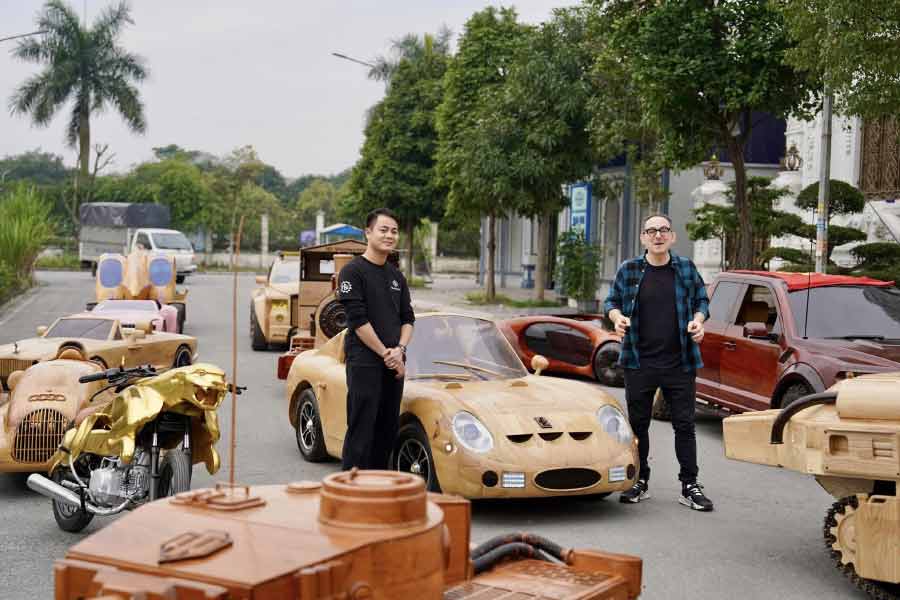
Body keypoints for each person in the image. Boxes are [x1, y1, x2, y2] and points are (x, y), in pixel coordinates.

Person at [604, 214, 714, 511]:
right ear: (643, 238)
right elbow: (610, 302)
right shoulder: (629, 270)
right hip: (639, 361)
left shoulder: (685, 269)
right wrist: (618, 318)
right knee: (638, 426)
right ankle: (640, 480)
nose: (657, 236)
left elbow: (702, 301)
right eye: (651, 231)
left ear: (672, 236)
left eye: (663, 230)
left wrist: (698, 321)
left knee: (685, 425)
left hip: (680, 361)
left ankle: (689, 485)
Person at [337, 208, 415, 470]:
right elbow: (358, 321)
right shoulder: (352, 272)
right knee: (362, 427)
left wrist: (400, 350)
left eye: (394, 231)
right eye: (383, 230)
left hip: (394, 362)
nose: (390, 235)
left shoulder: (396, 277)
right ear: (367, 233)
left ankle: (378, 488)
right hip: (365, 362)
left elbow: (408, 318)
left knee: (387, 429)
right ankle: (349, 490)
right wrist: (386, 354)